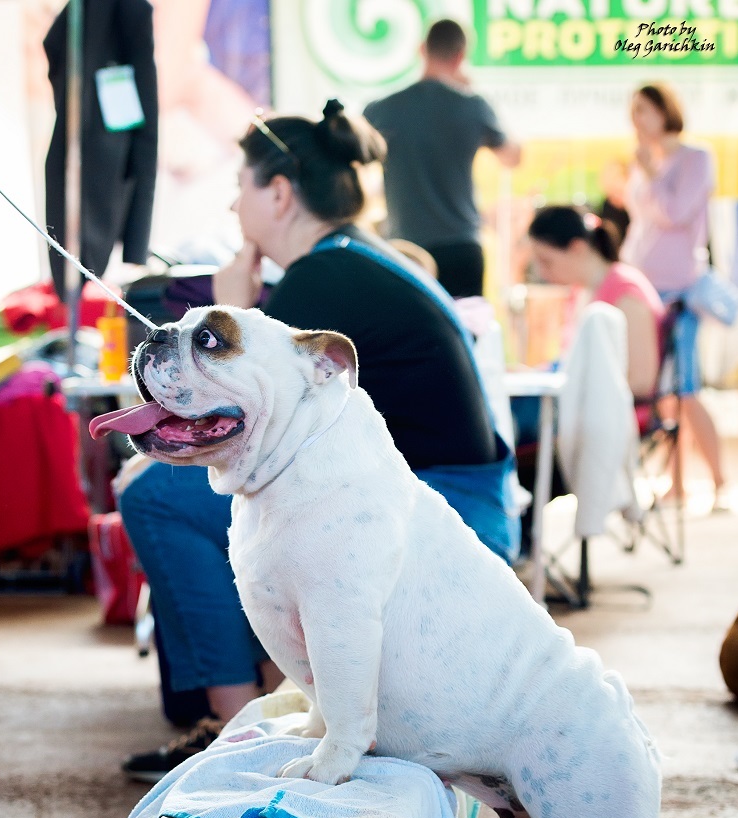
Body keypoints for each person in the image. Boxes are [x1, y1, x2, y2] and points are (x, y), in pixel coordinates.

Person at [119, 99, 520, 782]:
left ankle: (235, 722)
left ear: (278, 192)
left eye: (239, 188)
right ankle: (289, 699)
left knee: (156, 496)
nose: (232, 207)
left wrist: (234, 297)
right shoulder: (356, 256)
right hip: (459, 499)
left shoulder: (320, 278)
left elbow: (246, 420)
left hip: (446, 515)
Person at [622, 82, 726, 508]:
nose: (636, 120)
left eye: (643, 110)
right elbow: (639, 226)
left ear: (665, 111)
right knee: (664, 392)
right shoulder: (645, 166)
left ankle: (720, 481)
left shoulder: (695, 159)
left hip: (680, 290)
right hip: (648, 289)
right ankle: (676, 483)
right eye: (633, 112)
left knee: (685, 388)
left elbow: (676, 213)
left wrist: (650, 176)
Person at [363, 18, 520, 299]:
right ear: (461, 56)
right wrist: (470, 92)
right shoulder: (473, 106)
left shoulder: (382, 109)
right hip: (461, 246)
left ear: (422, 49)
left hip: (405, 247)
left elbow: (355, 157)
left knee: (408, 336)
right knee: (466, 331)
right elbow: (513, 156)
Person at [528, 205, 664, 401]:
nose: (541, 273)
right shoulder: (580, 292)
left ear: (577, 248)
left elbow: (641, 382)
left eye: (546, 261)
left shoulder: (627, 293)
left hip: (614, 419)